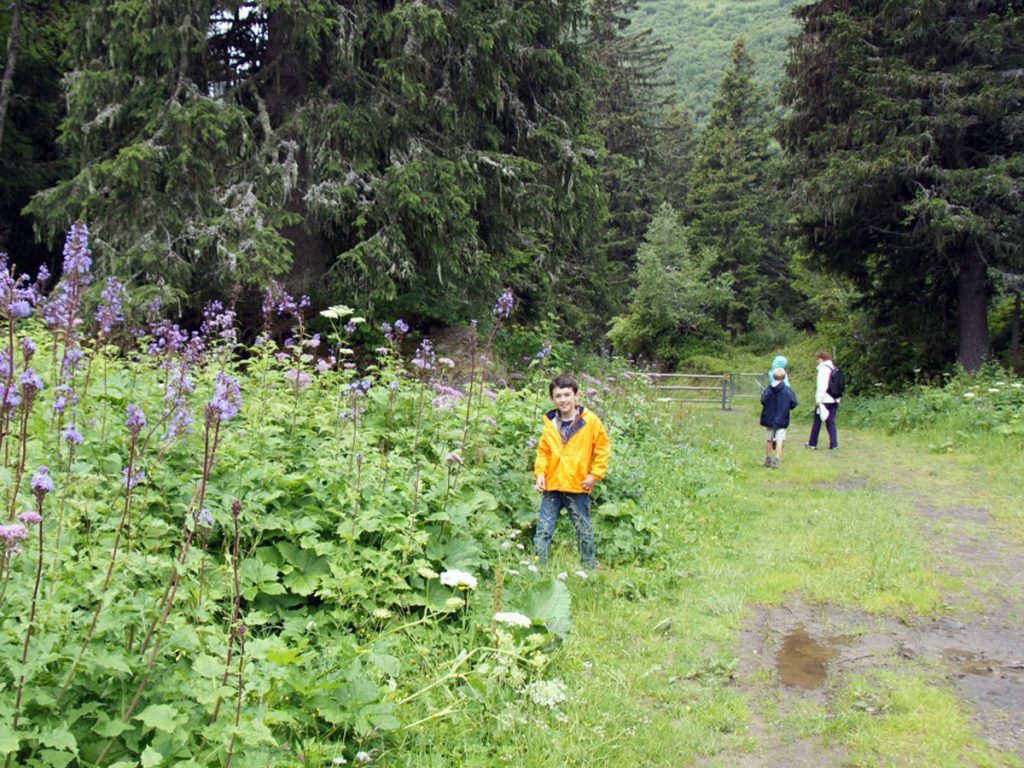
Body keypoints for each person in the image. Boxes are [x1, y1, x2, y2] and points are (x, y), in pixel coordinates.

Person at [533, 374, 611, 569]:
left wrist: (595, 475)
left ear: (577, 395)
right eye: (558, 396)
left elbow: (603, 449)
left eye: (567, 395)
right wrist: (540, 474)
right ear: (552, 399)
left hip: (577, 485)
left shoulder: (590, 422)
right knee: (544, 529)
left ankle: (589, 567)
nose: (563, 400)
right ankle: (537, 568)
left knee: (583, 528)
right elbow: (543, 452)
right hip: (552, 485)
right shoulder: (550, 424)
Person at [760, 367, 798, 468]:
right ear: (784, 377)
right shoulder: (787, 390)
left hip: (769, 418)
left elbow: (763, 401)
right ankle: (776, 459)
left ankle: (768, 459)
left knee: (769, 439)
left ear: (774, 376)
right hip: (782, 418)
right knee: (780, 439)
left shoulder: (768, 389)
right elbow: (794, 403)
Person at [805, 351, 840, 450]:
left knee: (817, 421)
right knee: (831, 422)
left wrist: (818, 399)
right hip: (835, 399)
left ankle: (812, 443)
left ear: (821, 359)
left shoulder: (823, 369)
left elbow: (822, 386)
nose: (817, 361)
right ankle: (834, 444)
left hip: (824, 399)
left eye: (817, 359)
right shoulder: (834, 368)